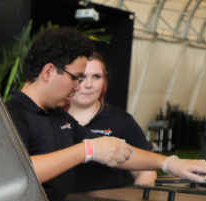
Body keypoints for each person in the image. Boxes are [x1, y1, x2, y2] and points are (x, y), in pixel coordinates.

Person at [6, 27, 206, 201]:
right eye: (76, 78)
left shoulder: (60, 117)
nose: (78, 87)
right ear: (48, 72)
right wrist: (86, 150)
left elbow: (114, 150)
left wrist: (170, 164)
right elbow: (18, 175)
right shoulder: (12, 115)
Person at [66, 52, 156, 190]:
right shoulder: (51, 118)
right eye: (81, 77)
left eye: (96, 77)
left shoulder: (121, 121)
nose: (88, 84)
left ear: (105, 81)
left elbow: (146, 171)